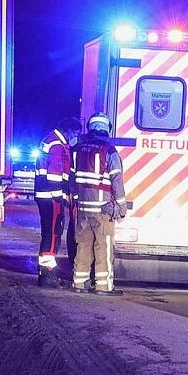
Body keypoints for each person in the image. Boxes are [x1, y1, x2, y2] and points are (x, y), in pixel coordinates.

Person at [69, 113, 127, 295]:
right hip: (103, 210)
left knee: (83, 245)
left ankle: (79, 283)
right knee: (104, 247)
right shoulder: (109, 150)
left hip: (83, 209)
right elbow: (116, 180)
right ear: (106, 129)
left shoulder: (77, 149)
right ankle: (104, 286)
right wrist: (121, 207)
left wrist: (76, 201)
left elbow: (72, 179)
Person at [34, 117, 80, 287]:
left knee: (48, 233)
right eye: (76, 133)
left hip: (45, 196)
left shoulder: (51, 140)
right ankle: (48, 275)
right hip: (51, 198)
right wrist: (61, 196)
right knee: (52, 234)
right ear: (69, 130)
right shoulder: (57, 145)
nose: (76, 136)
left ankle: (45, 272)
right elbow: (54, 176)